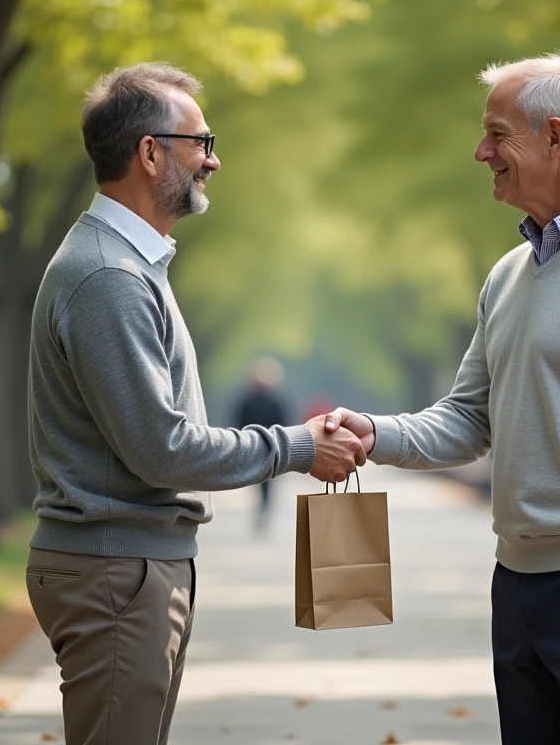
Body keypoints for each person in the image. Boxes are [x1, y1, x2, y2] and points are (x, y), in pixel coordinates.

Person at [325, 52, 560, 744]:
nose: (481, 152)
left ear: (554, 137)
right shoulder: (508, 275)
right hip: (517, 582)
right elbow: (469, 417)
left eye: (497, 135)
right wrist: (374, 432)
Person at [25, 62, 366, 745]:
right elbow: (163, 448)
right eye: (200, 142)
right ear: (150, 154)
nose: (214, 159)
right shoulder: (108, 277)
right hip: (117, 574)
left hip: (130, 567)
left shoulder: (127, 265)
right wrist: (299, 446)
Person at [234, 356, 291, 530]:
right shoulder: (276, 402)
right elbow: (284, 424)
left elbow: (239, 423)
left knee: (256, 481)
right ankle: (265, 509)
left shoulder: (246, 401)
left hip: (251, 447)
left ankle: (260, 509)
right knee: (269, 482)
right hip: (273, 448)